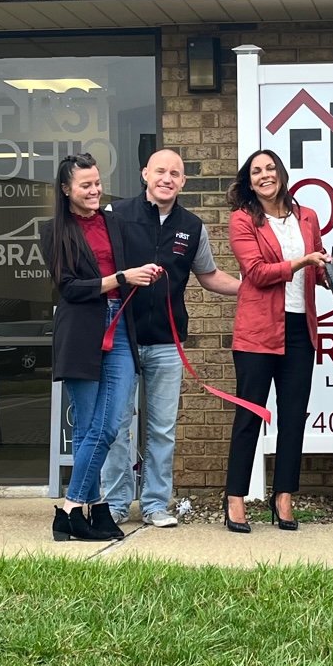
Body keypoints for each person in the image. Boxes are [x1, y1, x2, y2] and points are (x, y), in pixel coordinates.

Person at [101, 147, 242, 527]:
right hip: (122, 341)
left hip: (167, 341)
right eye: (160, 171)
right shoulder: (115, 216)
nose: (167, 179)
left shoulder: (192, 226)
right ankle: (115, 504)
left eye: (175, 174)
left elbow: (209, 276)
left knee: (162, 428)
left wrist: (252, 287)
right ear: (145, 173)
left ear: (183, 181)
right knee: (117, 426)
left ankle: (154, 505)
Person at [48, 152, 162, 542]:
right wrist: (120, 277)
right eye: (85, 185)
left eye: (97, 182)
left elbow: (136, 258)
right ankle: (92, 510)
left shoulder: (113, 222)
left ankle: (70, 508)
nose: (95, 190)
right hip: (81, 330)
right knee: (86, 429)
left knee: (109, 423)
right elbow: (69, 288)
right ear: (66, 190)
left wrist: (142, 273)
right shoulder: (54, 231)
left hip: (119, 326)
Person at [224, 149, 327, 533]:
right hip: (258, 331)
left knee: (293, 418)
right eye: (256, 171)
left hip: (302, 329)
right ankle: (235, 498)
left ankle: (284, 496)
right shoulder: (242, 220)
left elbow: (316, 270)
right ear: (249, 182)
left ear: (281, 174)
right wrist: (303, 262)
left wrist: (329, 273)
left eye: (270, 168)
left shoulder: (308, 217)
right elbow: (256, 273)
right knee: (249, 416)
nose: (264, 175)